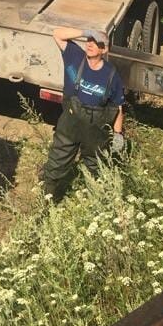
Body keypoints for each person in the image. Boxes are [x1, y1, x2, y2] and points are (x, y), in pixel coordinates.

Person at [41, 26, 125, 201]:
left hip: (95, 130)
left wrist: (118, 134)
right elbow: (57, 33)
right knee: (56, 163)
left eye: (97, 42)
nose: (91, 44)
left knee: (96, 168)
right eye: (90, 40)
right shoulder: (74, 56)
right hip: (69, 125)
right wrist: (87, 32)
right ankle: (47, 202)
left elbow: (117, 107)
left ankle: (94, 203)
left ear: (105, 49)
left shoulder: (112, 75)